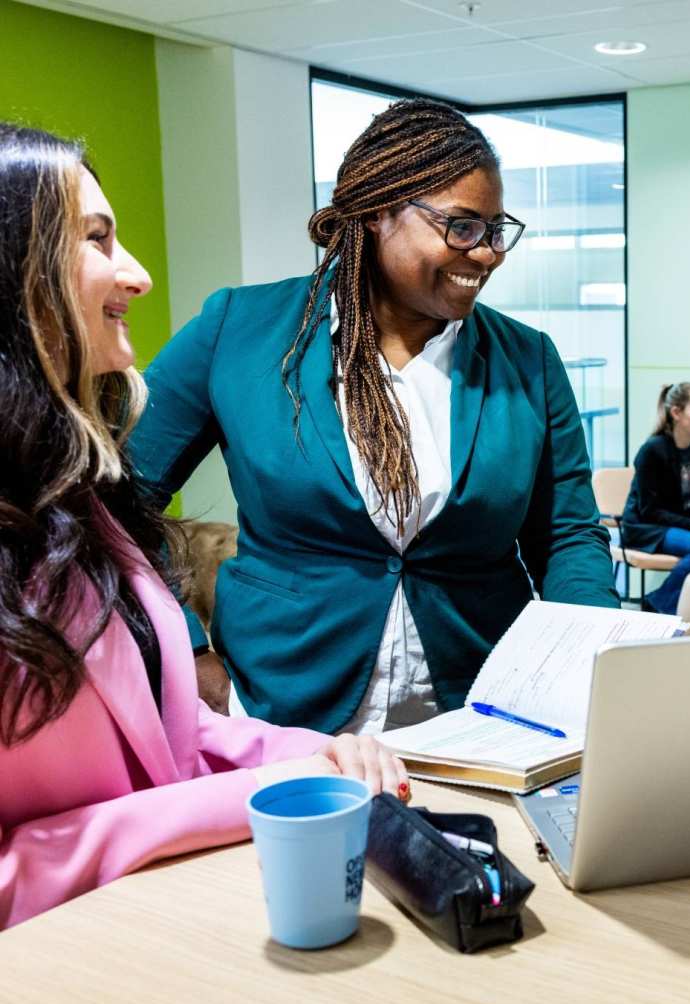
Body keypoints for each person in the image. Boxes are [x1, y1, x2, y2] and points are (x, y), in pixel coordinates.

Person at [0, 125, 408, 929]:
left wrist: (307, 755)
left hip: (151, 933)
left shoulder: (84, 502)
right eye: (96, 238)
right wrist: (239, 799)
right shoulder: (243, 328)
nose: (139, 275)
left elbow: (174, 740)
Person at [130, 98, 617, 735]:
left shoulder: (527, 359)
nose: (489, 254)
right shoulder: (239, 333)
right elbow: (113, 500)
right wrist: (184, 646)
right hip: (285, 707)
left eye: (498, 230)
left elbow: (567, 534)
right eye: (463, 227)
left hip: (477, 710)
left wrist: (600, 661)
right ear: (380, 211)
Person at [622, 382, 690, 614]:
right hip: (648, 528)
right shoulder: (651, 450)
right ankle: (663, 606)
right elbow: (649, 510)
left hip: (685, 524)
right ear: (676, 413)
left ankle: (658, 603)